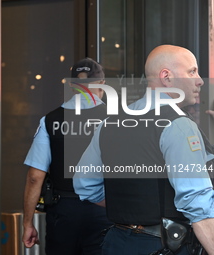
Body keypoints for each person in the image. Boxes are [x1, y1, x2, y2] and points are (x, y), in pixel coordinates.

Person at [73, 45, 214, 255]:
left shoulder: (108, 124)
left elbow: (84, 184)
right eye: (192, 72)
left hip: (117, 243)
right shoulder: (178, 125)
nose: (200, 80)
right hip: (165, 245)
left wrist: (133, 211)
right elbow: (196, 202)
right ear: (166, 77)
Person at [22, 58, 112, 255]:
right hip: (105, 210)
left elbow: (35, 176)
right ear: (102, 84)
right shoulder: (116, 120)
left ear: (71, 86)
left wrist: (28, 222)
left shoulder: (50, 120)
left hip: (63, 211)